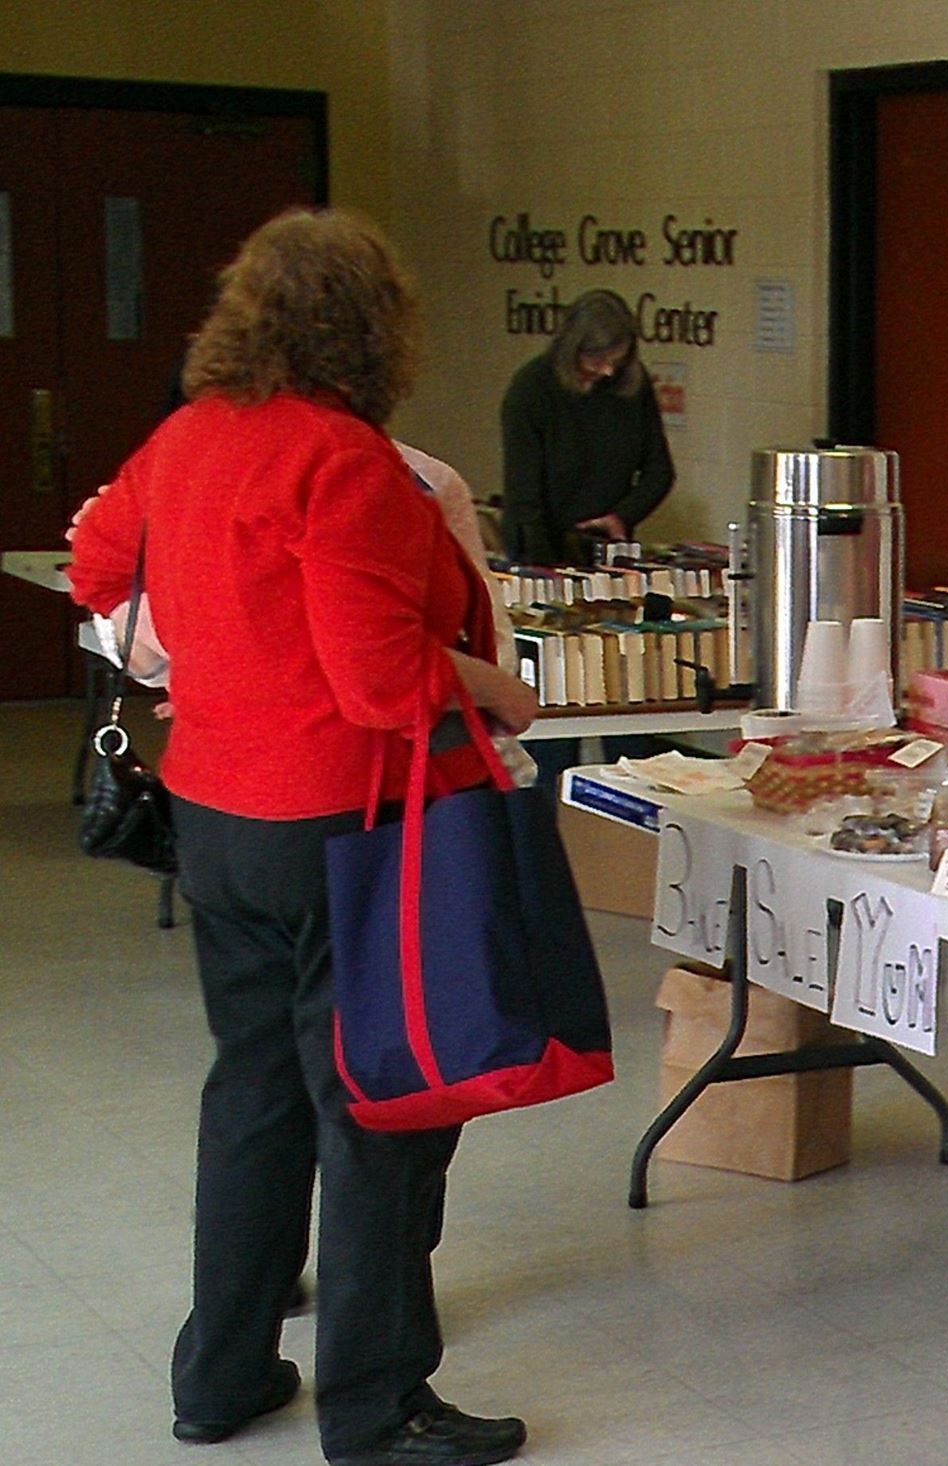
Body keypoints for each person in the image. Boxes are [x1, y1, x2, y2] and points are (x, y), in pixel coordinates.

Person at [66, 209, 536, 1466]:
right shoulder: (349, 464)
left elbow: (95, 566)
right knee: (378, 1110)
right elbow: (385, 683)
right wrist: (493, 689)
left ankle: (220, 1375)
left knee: (255, 1092)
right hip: (349, 825)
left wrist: (219, 650)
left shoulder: (185, 435)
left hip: (215, 814)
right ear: (377, 330)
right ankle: (377, 1411)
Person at [498, 288, 673, 565]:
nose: (607, 371)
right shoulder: (532, 388)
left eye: (615, 361)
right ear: (572, 349)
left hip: (607, 546)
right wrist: (546, 568)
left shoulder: (631, 386)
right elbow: (524, 496)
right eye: (597, 361)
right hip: (541, 545)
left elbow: (659, 471)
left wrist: (620, 518)